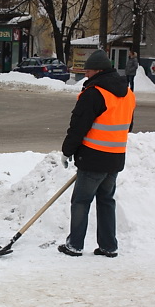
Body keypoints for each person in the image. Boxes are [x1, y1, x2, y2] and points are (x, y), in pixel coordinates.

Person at [58, 49, 136, 258]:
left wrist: (67, 151)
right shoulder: (127, 93)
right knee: (106, 201)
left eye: (88, 71)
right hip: (116, 156)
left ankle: (74, 245)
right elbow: (128, 126)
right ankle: (108, 246)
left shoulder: (94, 93)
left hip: (93, 157)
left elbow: (78, 126)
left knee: (81, 201)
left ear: (99, 70)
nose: (85, 75)